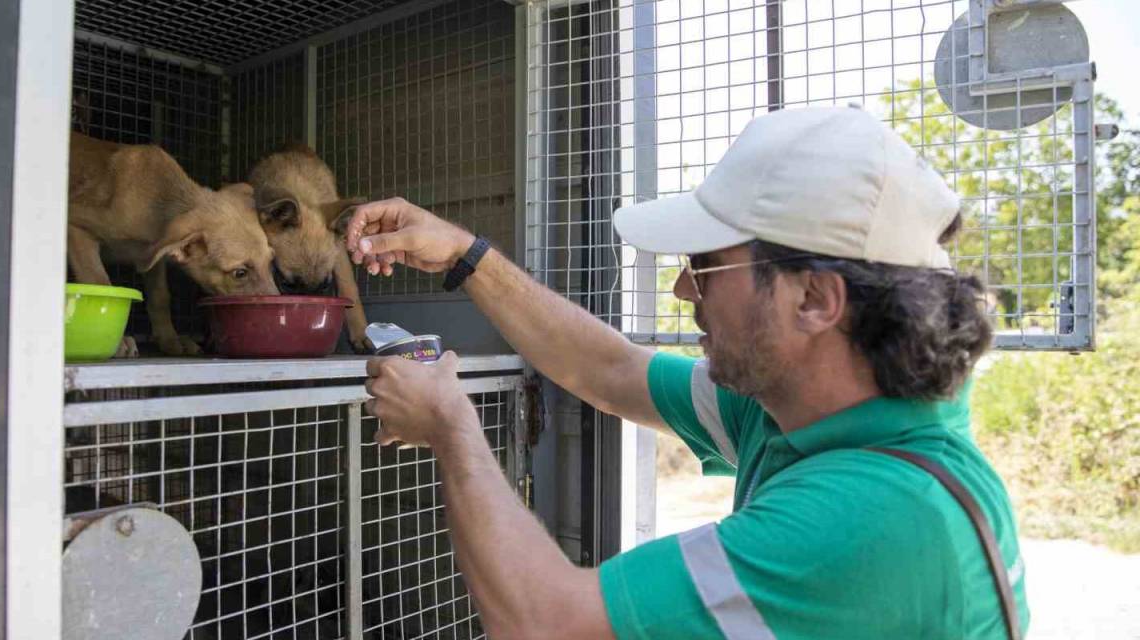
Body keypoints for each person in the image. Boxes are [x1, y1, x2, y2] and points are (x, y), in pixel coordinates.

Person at [346, 106, 1029, 639]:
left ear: (816, 299)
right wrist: (467, 256)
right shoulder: (801, 411)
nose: (682, 289)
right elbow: (609, 369)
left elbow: (547, 626)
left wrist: (451, 427)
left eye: (706, 265)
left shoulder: (878, 517)